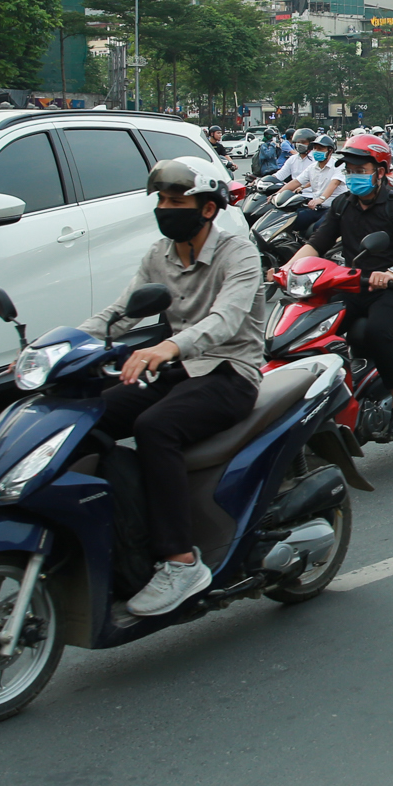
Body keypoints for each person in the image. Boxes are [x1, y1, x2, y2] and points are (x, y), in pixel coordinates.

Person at [84, 158, 270, 617]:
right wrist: (57, 346)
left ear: (207, 209)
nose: (165, 210)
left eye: (175, 201)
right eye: (162, 201)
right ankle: (123, 528)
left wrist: (166, 348)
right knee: (88, 417)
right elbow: (121, 312)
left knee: (155, 427)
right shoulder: (159, 255)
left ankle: (180, 559)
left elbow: (225, 321)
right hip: (180, 368)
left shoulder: (239, 254)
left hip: (230, 372)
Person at [279, 133, 393, 439]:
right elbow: (317, 244)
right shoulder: (343, 205)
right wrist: (286, 268)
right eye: (349, 170)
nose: (353, 176)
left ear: (382, 171)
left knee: (376, 331)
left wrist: (391, 272)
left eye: (361, 171)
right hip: (354, 284)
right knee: (312, 325)